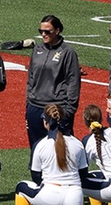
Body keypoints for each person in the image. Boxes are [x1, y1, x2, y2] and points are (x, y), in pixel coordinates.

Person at [11, 102, 87, 205]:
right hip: (74, 198)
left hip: (49, 196)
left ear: (45, 122)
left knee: (21, 187)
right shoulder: (77, 144)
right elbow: (83, 174)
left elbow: (36, 176)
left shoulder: (41, 145)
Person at [19, 14, 82, 177]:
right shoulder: (38, 49)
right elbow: (31, 77)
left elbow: (73, 82)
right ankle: (39, 180)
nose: (44, 34)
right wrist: (29, 101)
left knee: (61, 147)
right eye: (41, 31)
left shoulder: (68, 53)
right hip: (34, 106)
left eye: (48, 31)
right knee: (36, 147)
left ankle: (66, 181)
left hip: (57, 107)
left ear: (58, 30)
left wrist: (69, 109)